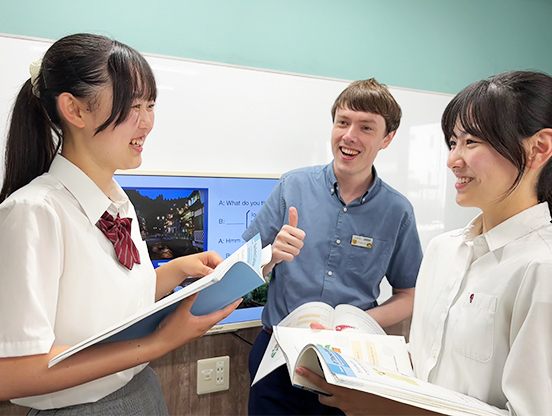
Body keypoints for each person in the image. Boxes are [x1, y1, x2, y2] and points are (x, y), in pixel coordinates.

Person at [0, 33, 241, 415]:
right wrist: (159, 342)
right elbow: (13, 374)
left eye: (151, 105)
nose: (147, 123)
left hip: (142, 392)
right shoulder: (34, 212)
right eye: (133, 106)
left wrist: (176, 271)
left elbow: (104, 309)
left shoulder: (118, 200)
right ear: (75, 110)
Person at [296, 70, 552, 416]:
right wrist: (355, 353)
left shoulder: (542, 267)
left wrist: (388, 408)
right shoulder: (443, 250)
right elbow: (427, 363)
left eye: (471, 142)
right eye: (453, 142)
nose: (452, 160)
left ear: (538, 149)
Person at [244, 78, 424, 415]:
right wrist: (270, 257)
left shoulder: (397, 211)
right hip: (277, 357)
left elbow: (410, 294)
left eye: (366, 127)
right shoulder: (292, 186)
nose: (349, 136)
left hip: (350, 364)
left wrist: (355, 324)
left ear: (387, 138)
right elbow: (239, 268)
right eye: (343, 122)